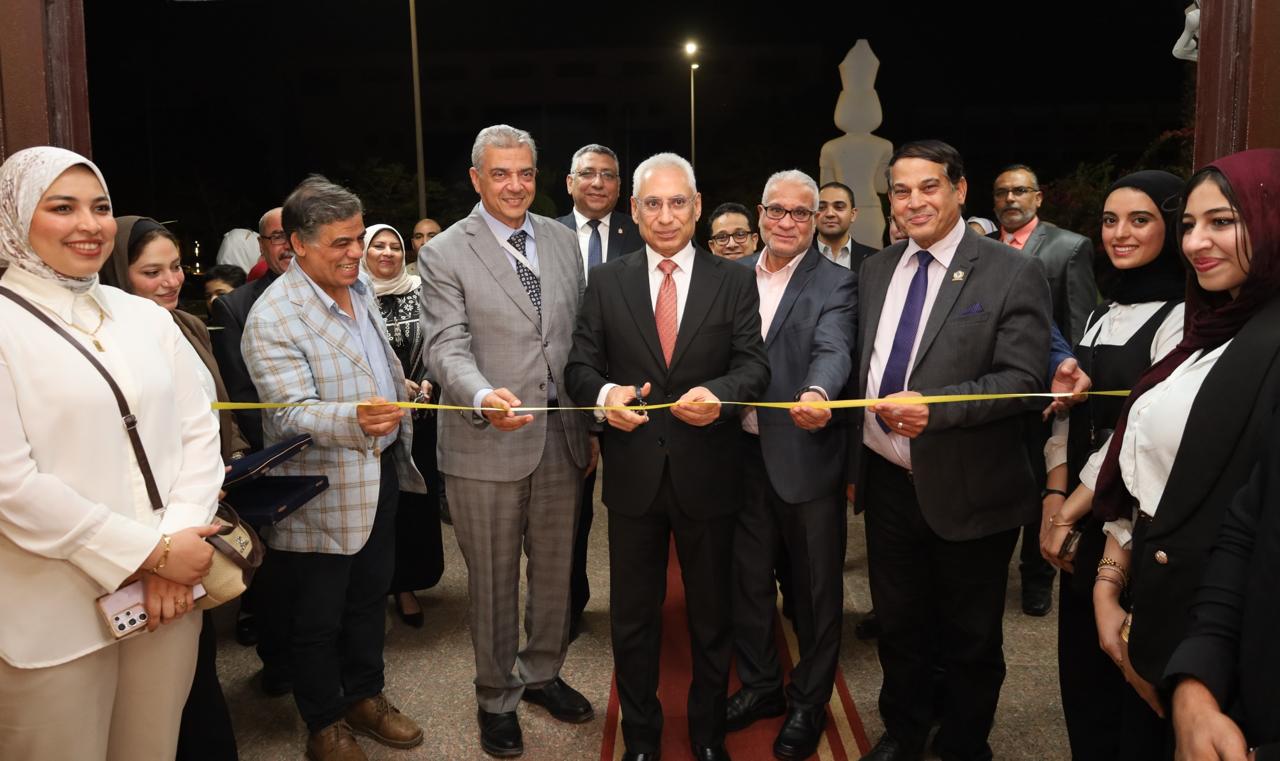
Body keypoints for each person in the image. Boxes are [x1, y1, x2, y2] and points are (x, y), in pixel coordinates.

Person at [1042, 148, 1280, 758]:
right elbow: (1145, 458)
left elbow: (1241, 521)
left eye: (1222, 221)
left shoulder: (1228, 332)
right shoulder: (1208, 329)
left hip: (1205, 614)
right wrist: (1109, 573)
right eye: (1190, 225)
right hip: (1139, 565)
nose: (1197, 242)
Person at [0, 146, 223, 760]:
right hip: (52, 614)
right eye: (62, 207)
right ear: (15, 217)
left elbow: (198, 432)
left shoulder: (144, 318)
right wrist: (151, 554)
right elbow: (12, 484)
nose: (89, 224)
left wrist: (177, 545)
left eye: (100, 207)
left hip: (166, 602)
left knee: (152, 748)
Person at [850, 140, 1051, 761]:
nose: (913, 201)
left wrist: (934, 410)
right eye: (900, 190)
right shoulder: (877, 269)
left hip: (971, 486)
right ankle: (904, 730)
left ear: (960, 190)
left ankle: (965, 742)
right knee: (899, 623)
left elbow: (1022, 381)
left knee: (970, 635)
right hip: (888, 482)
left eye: (928, 186)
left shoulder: (1011, 270)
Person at [566, 151, 771, 761]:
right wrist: (606, 396)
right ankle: (641, 738)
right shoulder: (607, 281)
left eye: (677, 202)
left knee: (711, 616)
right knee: (633, 619)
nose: (664, 215)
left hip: (709, 473)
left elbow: (753, 366)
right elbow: (578, 366)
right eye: (652, 203)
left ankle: (708, 734)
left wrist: (722, 397)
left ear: (697, 206)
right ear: (633, 209)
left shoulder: (734, 280)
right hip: (634, 477)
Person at [419, 124, 593, 759]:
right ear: (476, 178)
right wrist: (480, 395)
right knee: (493, 580)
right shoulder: (444, 252)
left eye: (524, 173)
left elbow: (575, 337)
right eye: (500, 174)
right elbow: (445, 345)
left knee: (554, 571)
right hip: (484, 439)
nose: (515, 185)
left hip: (561, 438)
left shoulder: (562, 239)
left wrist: (596, 415)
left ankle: (542, 672)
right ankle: (495, 695)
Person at [242, 175, 427, 761]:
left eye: (358, 238)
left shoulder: (360, 288)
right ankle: (324, 723)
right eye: (340, 243)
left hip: (381, 472)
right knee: (317, 616)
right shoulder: (275, 317)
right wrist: (355, 418)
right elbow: (288, 411)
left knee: (370, 598)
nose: (355, 253)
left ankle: (365, 696)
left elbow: (374, 363)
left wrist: (400, 390)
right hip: (323, 489)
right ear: (298, 244)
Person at [1037, 171, 1186, 761]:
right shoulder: (1104, 310)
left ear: (1171, 227)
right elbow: (1068, 415)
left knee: (1130, 682)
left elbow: (1137, 433)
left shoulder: (1184, 317)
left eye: (1139, 220)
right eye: (1109, 221)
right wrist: (1053, 496)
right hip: (1081, 508)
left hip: (1133, 518)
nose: (1120, 234)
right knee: (1082, 681)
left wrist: (1068, 508)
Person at [101, 214, 250, 761]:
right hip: (152, 533)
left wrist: (231, 460)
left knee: (196, 659)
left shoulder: (186, 324)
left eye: (175, 267)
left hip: (200, 509)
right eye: (151, 272)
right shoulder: (109, 346)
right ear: (117, 276)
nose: (170, 282)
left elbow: (211, 412)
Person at [726, 170, 856, 760]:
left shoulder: (837, 282)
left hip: (805, 454)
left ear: (815, 219)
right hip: (738, 455)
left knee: (815, 591)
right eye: (776, 210)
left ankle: (808, 700)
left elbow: (834, 347)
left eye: (800, 213)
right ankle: (760, 687)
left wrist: (818, 393)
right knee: (747, 582)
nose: (787, 222)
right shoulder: (729, 276)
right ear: (760, 213)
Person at [991, 163, 1099, 616]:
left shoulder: (1067, 247)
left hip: (1049, 396)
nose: (1010, 199)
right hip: (995, 396)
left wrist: (1068, 386)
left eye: (1019, 191)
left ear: (1038, 198)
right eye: (1001, 193)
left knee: (1044, 486)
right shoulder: (981, 248)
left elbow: (1079, 323)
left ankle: (1037, 577)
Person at [556, 142, 644, 639]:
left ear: (620, 187)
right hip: (570, 391)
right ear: (570, 182)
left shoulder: (642, 233)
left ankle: (638, 609)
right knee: (571, 512)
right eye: (587, 173)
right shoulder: (546, 236)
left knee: (636, 508)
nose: (597, 182)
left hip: (636, 391)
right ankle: (568, 606)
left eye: (608, 175)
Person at [208, 206, 294, 665]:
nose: (287, 244)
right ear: (262, 246)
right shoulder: (235, 306)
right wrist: (280, 450)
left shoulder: (333, 292)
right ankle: (277, 663)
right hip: (272, 455)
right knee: (275, 570)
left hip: (327, 451)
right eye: (276, 237)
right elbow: (241, 391)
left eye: (293, 234)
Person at [360, 223, 444, 628]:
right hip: (377, 423)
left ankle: (407, 584)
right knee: (381, 508)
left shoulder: (423, 291)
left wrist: (429, 379)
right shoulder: (354, 296)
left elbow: (439, 343)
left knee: (415, 506)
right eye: (378, 246)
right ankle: (377, 587)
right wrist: (393, 385)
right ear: (364, 252)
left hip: (422, 419)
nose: (387, 253)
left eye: (394, 246)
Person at [814, 180, 879, 268]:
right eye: (821, 207)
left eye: (839, 207)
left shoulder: (875, 259)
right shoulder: (799, 255)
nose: (830, 213)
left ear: (853, 214)